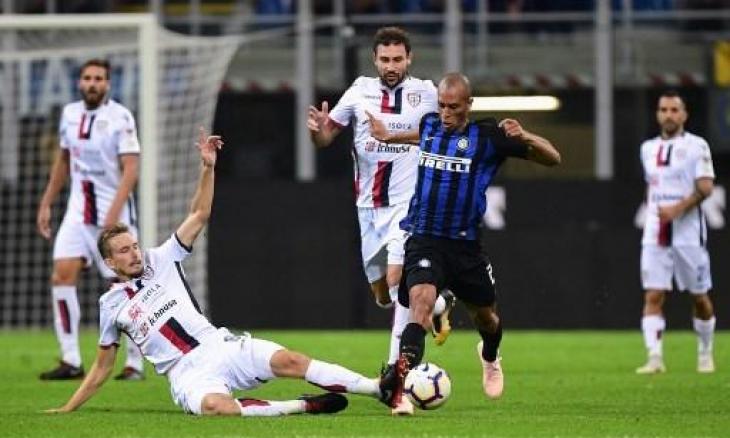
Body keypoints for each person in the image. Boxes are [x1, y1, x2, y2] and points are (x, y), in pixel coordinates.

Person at [45, 128, 393, 417]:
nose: (134, 252)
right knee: (217, 408)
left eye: (133, 245)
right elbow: (103, 367)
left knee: (291, 359)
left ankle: (378, 388)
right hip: (185, 372)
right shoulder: (111, 305)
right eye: (124, 251)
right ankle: (301, 406)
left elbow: (198, 215)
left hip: (219, 345)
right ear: (109, 263)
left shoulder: (161, 258)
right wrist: (68, 407)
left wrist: (208, 168)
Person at [371, 73, 560, 403]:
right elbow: (420, 134)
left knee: (486, 318)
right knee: (420, 306)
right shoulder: (431, 125)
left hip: (465, 246)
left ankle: (489, 356)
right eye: (442, 106)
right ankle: (399, 386)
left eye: (453, 108)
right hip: (424, 237)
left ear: (468, 105)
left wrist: (526, 135)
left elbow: (553, 157)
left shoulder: (489, 137)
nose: (445, 113)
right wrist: (388, 136)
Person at [307, 26, 455, 415]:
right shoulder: (358, 91)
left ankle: (396, 383)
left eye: (398, 59)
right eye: (385, 60)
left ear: (409, 59)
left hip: (407, 206)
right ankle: (438, 304)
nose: (391, 66)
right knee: (383, 294)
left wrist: (396, 132)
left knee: (397, 283)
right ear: (375, 60)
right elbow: (327, 137)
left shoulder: (426, 92)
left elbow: (444, 133)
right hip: (367, 207)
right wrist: (319, 134)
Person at [36, 58, 145, 381]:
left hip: (114, 214)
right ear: (79, 82)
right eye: (87, 77)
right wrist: (46, 203)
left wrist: (112, 214)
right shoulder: (69, 114)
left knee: (127, 285)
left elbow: (131, 169)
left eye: (99, 78)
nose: (92, 83)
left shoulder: (120, 117)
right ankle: (71, 359)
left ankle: (135, 363)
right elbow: (64, 161)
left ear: (108, 84)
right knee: (62, 276)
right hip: (77, 212)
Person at [635, 91, 717, 375]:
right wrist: (655, 210)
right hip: (655, 233)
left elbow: (706, 187)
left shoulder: (697, 146)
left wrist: (677, 209)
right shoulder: (647, 148)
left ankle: (705, 352)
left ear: (683, 115)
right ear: (658, 114)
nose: (668, 114)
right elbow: (652, 186)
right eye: (663, 109)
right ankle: (655, 358)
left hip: (688, 234)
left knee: (699, 297)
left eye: (673, 110)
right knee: (653, 295)